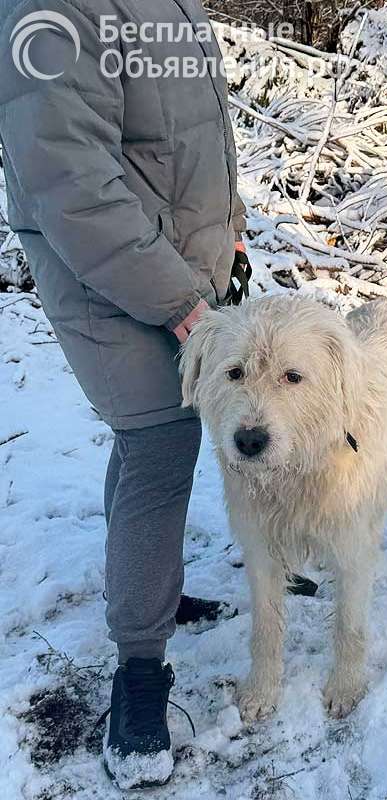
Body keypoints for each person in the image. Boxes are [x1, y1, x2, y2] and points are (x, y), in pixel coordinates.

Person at [0, 0, 250, 788]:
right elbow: (70, 183)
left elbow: (199, 137)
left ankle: (152, 589)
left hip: (187, 268)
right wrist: (181, 302)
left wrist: (232, 230)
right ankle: (139, 670)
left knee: (152, 436)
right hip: (109, 276)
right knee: (159, 440)